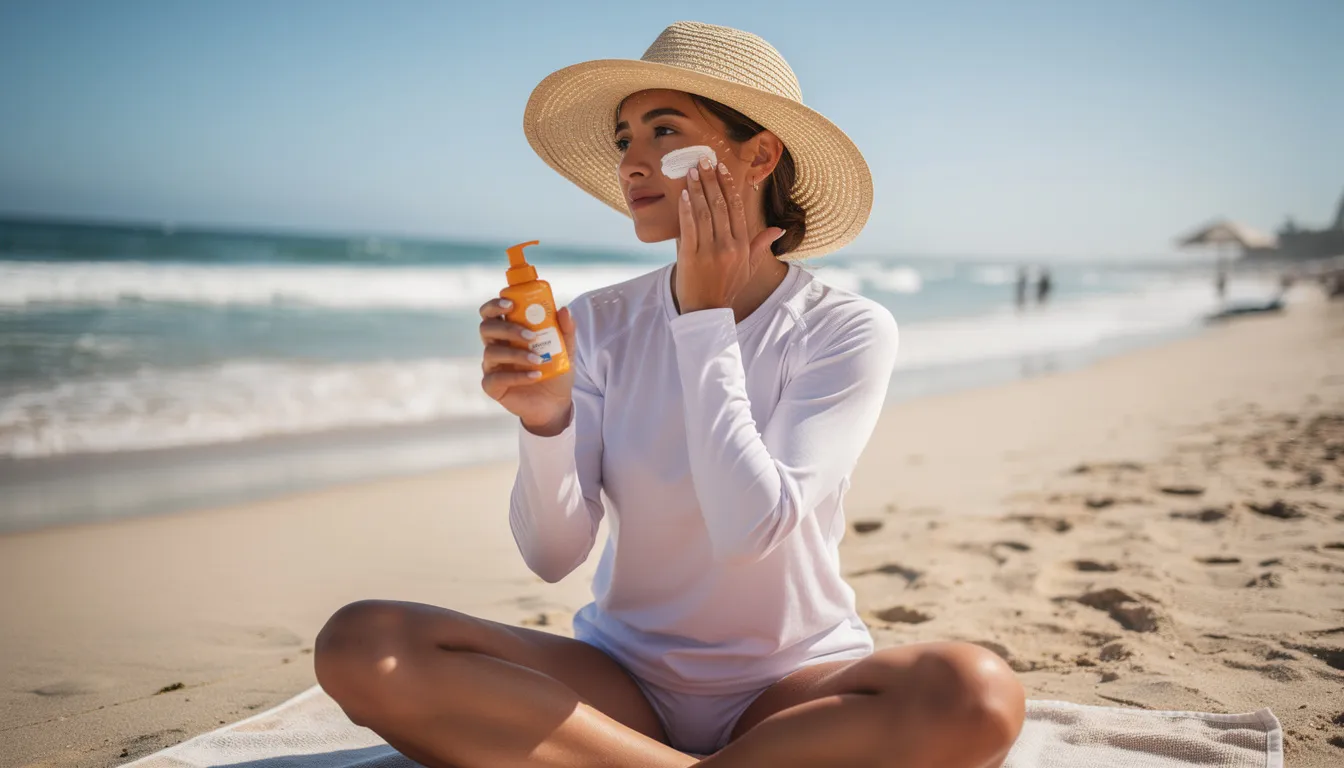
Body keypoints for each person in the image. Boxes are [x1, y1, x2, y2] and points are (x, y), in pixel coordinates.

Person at [313, 21, 1025, 768]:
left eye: (663, 130)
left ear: (758, 155)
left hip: (790, 691)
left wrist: (704, 322)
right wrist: (546, 421)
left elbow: (750, 530)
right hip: (621, 684)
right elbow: (552, 556)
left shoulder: (845, 329)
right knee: (364, 644)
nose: (633, 161)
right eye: (624, 139)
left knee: (976, 694)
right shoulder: (598, 323)